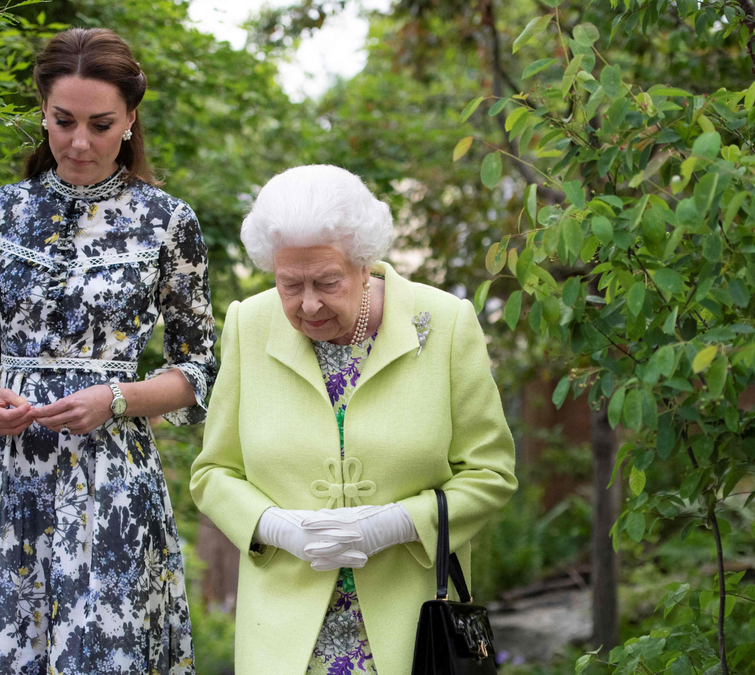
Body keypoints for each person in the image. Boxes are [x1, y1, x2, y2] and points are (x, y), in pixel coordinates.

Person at [0, 27, 214, 675]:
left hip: (112, 481)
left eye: (100, 123)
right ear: (43, 114)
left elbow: (198, 369)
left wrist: (117, 398)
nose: (79, 141)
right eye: (63, 122)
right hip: (12, 480)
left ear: (131, 119)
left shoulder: (168, 221)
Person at [191, 165, 517, 675]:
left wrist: (395, 524)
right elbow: (214, 474)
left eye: (327, 281)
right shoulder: (248, 324)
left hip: (414, 632)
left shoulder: (446, 323)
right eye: (289, 284)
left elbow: (491, 473)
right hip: (284, 636)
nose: (309, 303)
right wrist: (275, 527)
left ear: (365, 264)